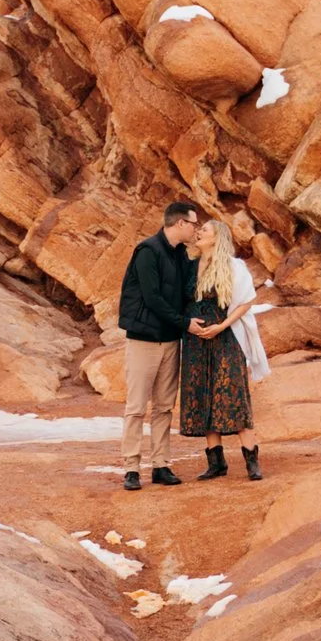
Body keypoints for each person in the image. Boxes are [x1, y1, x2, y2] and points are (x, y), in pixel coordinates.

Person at [115, 198, 202, 489]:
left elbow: (189, 290)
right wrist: (184, 323)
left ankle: (161, 465)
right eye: (193, 224)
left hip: (170, 341)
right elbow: (152, 299)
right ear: (180, 223)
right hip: (144, 340)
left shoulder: (181, 255)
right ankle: (131, 468)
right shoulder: (148, 251)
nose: (196, 229)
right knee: (137, 406)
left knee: (164, 407)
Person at [176, 219, 264, 478]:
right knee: (203, 393)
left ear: (217, 237)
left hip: (225, 338)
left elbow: (246, 301)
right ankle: (216, 462)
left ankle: (252, 461)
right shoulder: (190, 267)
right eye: (199, 229)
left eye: (204, 230)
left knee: (232, 394)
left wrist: (222, 326)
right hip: (195, 341)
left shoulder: (232, 266)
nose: (199, 232)